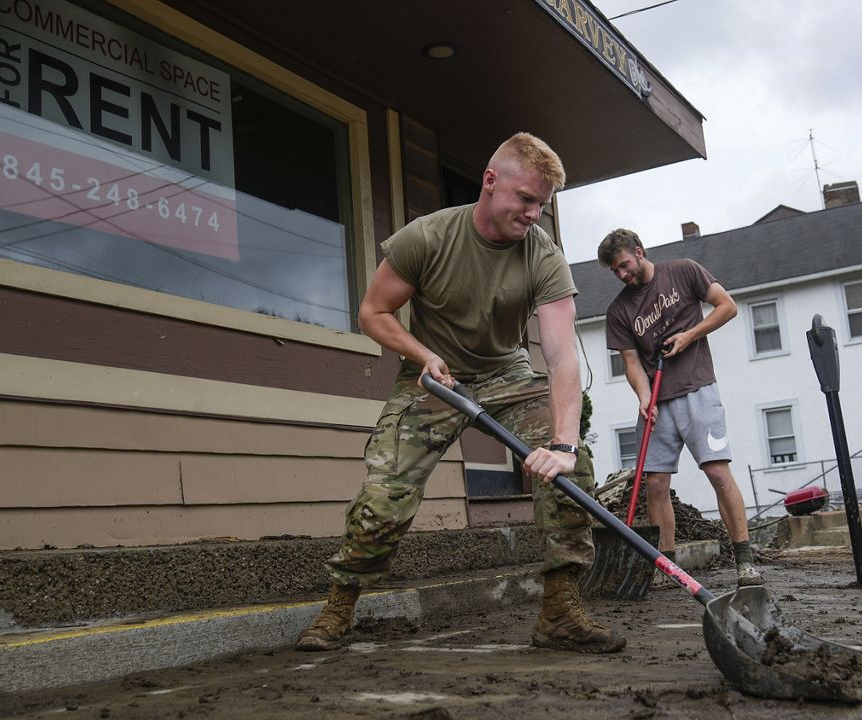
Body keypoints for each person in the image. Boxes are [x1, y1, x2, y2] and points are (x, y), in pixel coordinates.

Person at [297, 133, 625, 654]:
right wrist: (421, 353)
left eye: (542, 204)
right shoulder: (426, 238)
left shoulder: (543, 255)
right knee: (386, 495)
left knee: (572, 472)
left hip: (508, 375)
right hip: (434, 375)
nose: (534, 214)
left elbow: (562, 357)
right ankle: (340, 606)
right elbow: (373, 313)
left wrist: (563, 446)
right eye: (525, 199)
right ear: (491, 182)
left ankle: (560, 611)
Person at [597, 228, 762, 587]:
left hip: (698, 390)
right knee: (655, 484)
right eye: (615, 271)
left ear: (639, 252)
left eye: (624, 265)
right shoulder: (619, 310)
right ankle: (667, 567)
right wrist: (643, 396)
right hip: (657, 402)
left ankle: (745, 561)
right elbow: (630, 362)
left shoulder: (685, 270)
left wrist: (690, 335)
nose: (622, 275)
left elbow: (727, 307)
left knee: (718, 474)